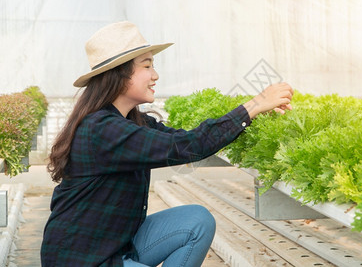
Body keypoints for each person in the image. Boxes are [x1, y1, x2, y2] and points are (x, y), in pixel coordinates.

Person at [41, 21, 293, 267]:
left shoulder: (133, 122)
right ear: (119, 73)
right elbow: (187, 146)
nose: (155, 75)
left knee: (197, 220)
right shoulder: (103, 130)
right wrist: (254, 105)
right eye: (147, 66)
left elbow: (187, 137)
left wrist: (254, 114)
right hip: (82, 259)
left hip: (116, 246)